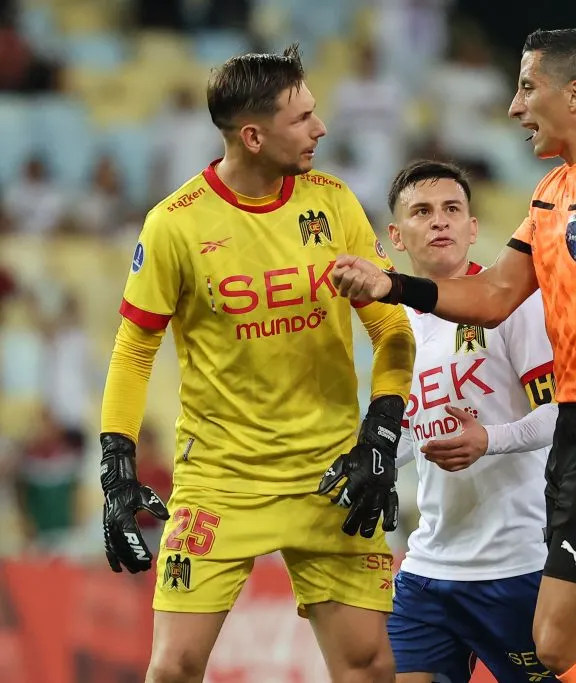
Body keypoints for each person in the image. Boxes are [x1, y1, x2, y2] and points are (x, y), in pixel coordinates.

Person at [331, 28, 576, 683]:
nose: (514, 106)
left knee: (557, 643)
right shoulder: (552, 192)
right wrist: (394, 286)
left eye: (528, 87)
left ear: (575, 94)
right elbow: (495, 293)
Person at [98, 44, 415, 683]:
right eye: (302, 118)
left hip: (329, 473)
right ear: (253, 136)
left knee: (369, 665)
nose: (320, 128)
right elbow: (134, 351)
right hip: (221, 479)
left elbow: (391, 329)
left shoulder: (335, 204)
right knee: (173, 667)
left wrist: (380, 431)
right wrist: (117, 468)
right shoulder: (174, 225)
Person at [383, 160, 558, 683]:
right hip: (427, 567)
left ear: (472, 228)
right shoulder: (394, 325)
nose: (439, 221)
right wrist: (371, 462)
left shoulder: (513, 305)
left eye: (452, 209)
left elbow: (564, 413)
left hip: (515, 564)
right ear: (396, 236)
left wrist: (490, 440)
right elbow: (411, 429)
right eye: (422, 211)